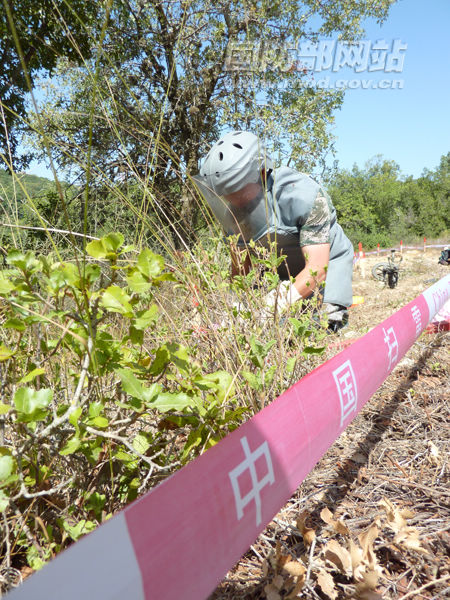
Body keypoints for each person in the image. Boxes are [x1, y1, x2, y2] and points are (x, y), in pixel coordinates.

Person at [195, 130, 354, 330]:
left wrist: (278, 302)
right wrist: (233, 305)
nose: (232, 200)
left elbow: (317, 269)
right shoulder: (233, 212)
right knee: (271, 331)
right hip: (280, 274)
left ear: (261, 174)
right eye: (225, 194)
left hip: (326, 266)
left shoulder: (304, 196)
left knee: (322, 326)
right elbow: (241, 268)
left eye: (238, 191)